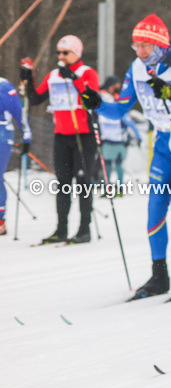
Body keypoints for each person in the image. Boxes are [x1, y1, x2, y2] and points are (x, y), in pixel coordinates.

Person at [81, 14, 171, 300]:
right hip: (165, 142)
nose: (140, 52)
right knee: (155, 210)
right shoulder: (136, 68)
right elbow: (119, 110)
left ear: (161, 44)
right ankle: (159, 276)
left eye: (145, 46)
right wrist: (98, 104)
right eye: (136, 46)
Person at [20, 35, 99, 244]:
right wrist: (28, 79)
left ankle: (84, 230)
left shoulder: (87, 72)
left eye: (66, 52)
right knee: (63, 184)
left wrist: (74, 79)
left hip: (83, 136)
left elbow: (92, 99)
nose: (61, 56)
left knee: (83, 184)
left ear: (77, 53)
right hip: (62, 136)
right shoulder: (54, 75)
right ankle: (61, 229)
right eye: (59, 52)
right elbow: (36, 99)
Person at [1, 75, 32, 235]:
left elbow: (18, 113)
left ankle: (0, 218)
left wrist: (26, 136)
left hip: (2, 135)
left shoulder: (4, 86)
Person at [96, 76, 142, 184]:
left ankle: (107, 186)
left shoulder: (100, 97)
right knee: (116, 164)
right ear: (112, 86)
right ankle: (116, 186)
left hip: (107, 138)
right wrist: (138, 136)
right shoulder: (113, 100)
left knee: (107, 164)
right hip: (115, 138)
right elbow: (128, 120)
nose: (119, 88)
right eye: (117, 86)